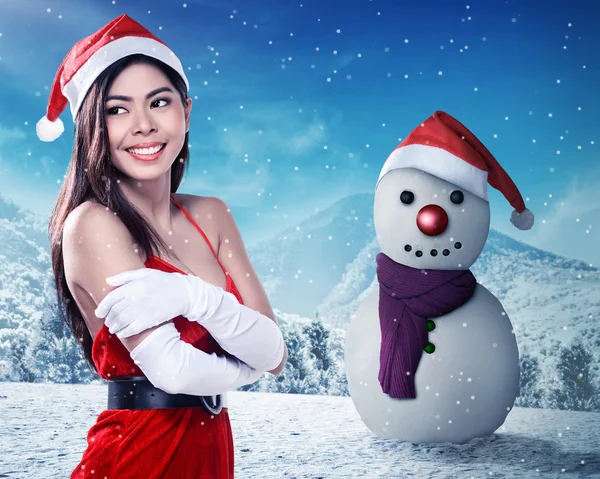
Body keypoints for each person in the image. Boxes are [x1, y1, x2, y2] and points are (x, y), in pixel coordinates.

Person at [41, 14, 288, 479]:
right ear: (91, 126)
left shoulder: (211, 214)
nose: (143, 125)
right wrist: (245, 370)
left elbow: (274, 351)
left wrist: (195, 298)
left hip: (211, 452)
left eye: (159, 102)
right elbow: (173, 370)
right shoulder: (91, 224)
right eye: (117, 110)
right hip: (139, 454)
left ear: (187, 112)